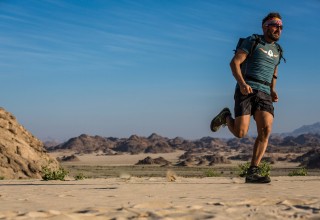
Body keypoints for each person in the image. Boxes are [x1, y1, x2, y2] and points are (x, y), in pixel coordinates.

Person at [210, 12, 284, 183]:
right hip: (247, 88)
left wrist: (273, 90)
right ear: (265, 26)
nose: (278, 29)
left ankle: (253, 171)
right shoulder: (253, 41)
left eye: (281, 26)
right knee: (240, 132)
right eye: (275, 25)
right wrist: (242, 84)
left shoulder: (278, 50)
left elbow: (274, 71)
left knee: (265, 129)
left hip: (264, 92)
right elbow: (234, 63)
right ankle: (226, 116)